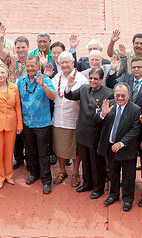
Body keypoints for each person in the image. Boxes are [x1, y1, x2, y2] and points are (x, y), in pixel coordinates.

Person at [65, 67, 113, 197]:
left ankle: (98, 188)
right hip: (82, 132)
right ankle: (87, 183)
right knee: (85, 161)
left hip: (97, 134)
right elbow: (70, 95)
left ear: (101, 80)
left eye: (96, 79)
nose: (92, 81)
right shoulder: (84, 88)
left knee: (97, 163)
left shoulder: (109, 93)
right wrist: (68, 87)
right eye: (91, 78)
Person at [97, 82, 141, 211]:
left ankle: (127, 199)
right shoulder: (109, 104)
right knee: (113, 173)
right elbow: (96, 120)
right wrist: (102, 114)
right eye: (117, 95)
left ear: (129, 95)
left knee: (128, 176)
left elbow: (135, 130)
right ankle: (114, 195)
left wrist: (121, 143)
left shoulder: (135, 109)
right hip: (110, 148)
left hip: (127, 149)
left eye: (123, 95)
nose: (120, 98)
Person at [16, 55, 56, 194]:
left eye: (33, 65)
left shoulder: (46, 80)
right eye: (28, 65)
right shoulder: (20, 82)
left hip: (42, 124)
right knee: (31, 151)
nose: (30, 68)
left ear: (38, 66)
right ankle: (34, 173)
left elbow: (52, 96)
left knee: (44, 153)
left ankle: (46, 180)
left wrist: (43, 85)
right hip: (27, 123)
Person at [51, 52, 88, 188]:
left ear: (73, 63)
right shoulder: (57, 77)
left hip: (74, 119)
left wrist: (70, 88)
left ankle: (75, 173)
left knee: (75, 150)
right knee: (60, 147)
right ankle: (62, 171)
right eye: (62, 63)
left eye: (67, 62)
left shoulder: (81, 78)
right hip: (58, 119)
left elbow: (84, 98)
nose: (65, 65)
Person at [0, 25, 29, 169]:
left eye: (23, 47)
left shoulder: (32, 62)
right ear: (15, 48)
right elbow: (1, 50)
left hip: (28, 103)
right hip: (12, 102)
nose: (20, 50)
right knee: (16, 133)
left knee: (27, 132)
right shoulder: (11, 60)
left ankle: (29, 159)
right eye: (18, 47)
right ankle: (18, 158)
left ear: (28, 47)